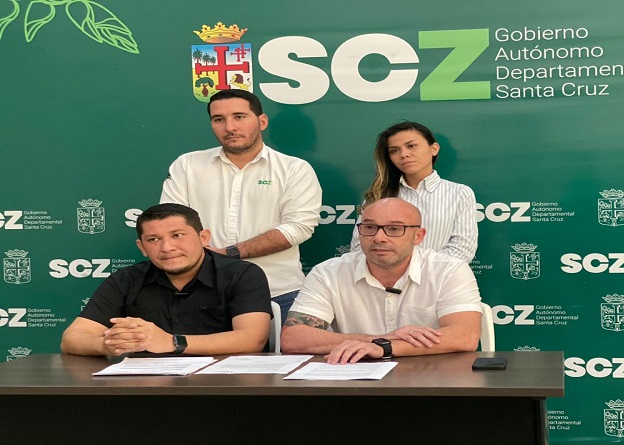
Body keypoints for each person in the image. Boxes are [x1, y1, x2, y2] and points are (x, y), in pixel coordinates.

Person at [161, 89, 322, 323]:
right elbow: (170, 223)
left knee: (289, 349)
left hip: (278, 292)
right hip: (201, 291)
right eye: (219, 119)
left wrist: (228, 254)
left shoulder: (294, 169)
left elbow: (298, 228)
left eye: (239, 117)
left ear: (262, 121)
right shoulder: (187, 165)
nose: (229, 127)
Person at [282, 198, 482, 364]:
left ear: (418, 236)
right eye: (369, 227)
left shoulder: (448, 270)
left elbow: (465, 336)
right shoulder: (327, 272)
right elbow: (293, 338)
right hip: (355, 383)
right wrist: (377, 340)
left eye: (394, 229)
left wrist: (384, 348)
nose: (379, 237)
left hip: (432, 380)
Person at [60, 203, 272, 357]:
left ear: (203, 238)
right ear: (142, 247)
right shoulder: (127, 279)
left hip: (224, 387)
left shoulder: (242, 274)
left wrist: (172, 342)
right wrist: (107, 345)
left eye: (177, 235)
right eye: (153, 239)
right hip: (146, 388)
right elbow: (72, 338)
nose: (167, 248)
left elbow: (252, 339)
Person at [350, 121, 478, 262]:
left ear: (434, 149)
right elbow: (358, 247)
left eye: (411, 146)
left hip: (439, 275)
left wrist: (418, 271)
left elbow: (462, 248)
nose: (404, 154)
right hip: (383, 275)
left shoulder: (459, 193)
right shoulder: (378, 195)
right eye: (394, 150)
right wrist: (394, 271)